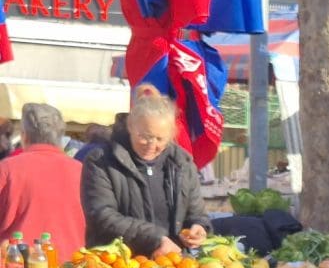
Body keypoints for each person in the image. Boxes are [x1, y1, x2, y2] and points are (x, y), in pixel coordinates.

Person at [80, 87, 209, 257]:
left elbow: (196, 213)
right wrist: (155, 238)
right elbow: (102, 215)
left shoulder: (182, 163)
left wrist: (198, 227)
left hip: (172, 262)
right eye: (144, 136)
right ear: (130, 126)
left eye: (160, 139)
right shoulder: (101, 161)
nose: (151, 145)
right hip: (118, 262)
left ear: (171, 135)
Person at [0, 103, 86, 254]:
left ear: (24, 135)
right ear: (60, 136)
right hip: (73, 262)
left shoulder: (7, 168)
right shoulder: (82, 171)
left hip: (18, 262)